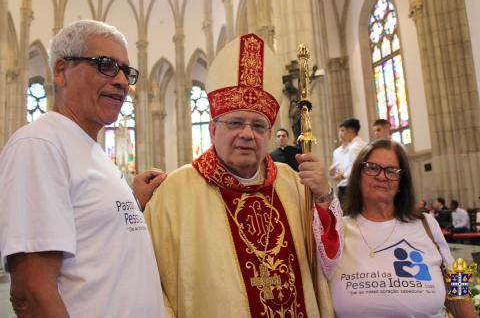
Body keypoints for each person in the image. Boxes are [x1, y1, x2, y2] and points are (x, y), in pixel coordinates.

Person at [144, 33, 343, 317]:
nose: (247, 134)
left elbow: (328, 263)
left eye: (258, 126)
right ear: (213, 130)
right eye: (236, 122)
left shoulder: (293, 183)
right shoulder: (174, 193)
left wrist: (323, 196)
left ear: (270, 135)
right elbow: (151, 284)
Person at [0, 20, 166, 317]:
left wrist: (133, 201)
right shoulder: (40, 144)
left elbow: (93, 235)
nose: (122, 82)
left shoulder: (89, 148)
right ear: (62, 71)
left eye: (126, 71)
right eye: (105, 65)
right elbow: (31, 294)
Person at [323, 139, 478, 318]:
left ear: (401, 182)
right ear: (358, 176)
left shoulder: (427, 223)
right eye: (372, 168)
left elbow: (457, 286)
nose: (382, 176)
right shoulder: (338, 230)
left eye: (391, 171)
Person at [329, 118, 366, 204]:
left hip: (353, 187)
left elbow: (356, 167)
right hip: (344, 187)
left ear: (350, 131)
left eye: (342, 130)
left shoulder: (355, 147)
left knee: (349, 215)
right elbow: (340, 170)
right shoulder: (357, 145)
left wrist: (343, 176)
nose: (340, 134)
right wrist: (335, 174)